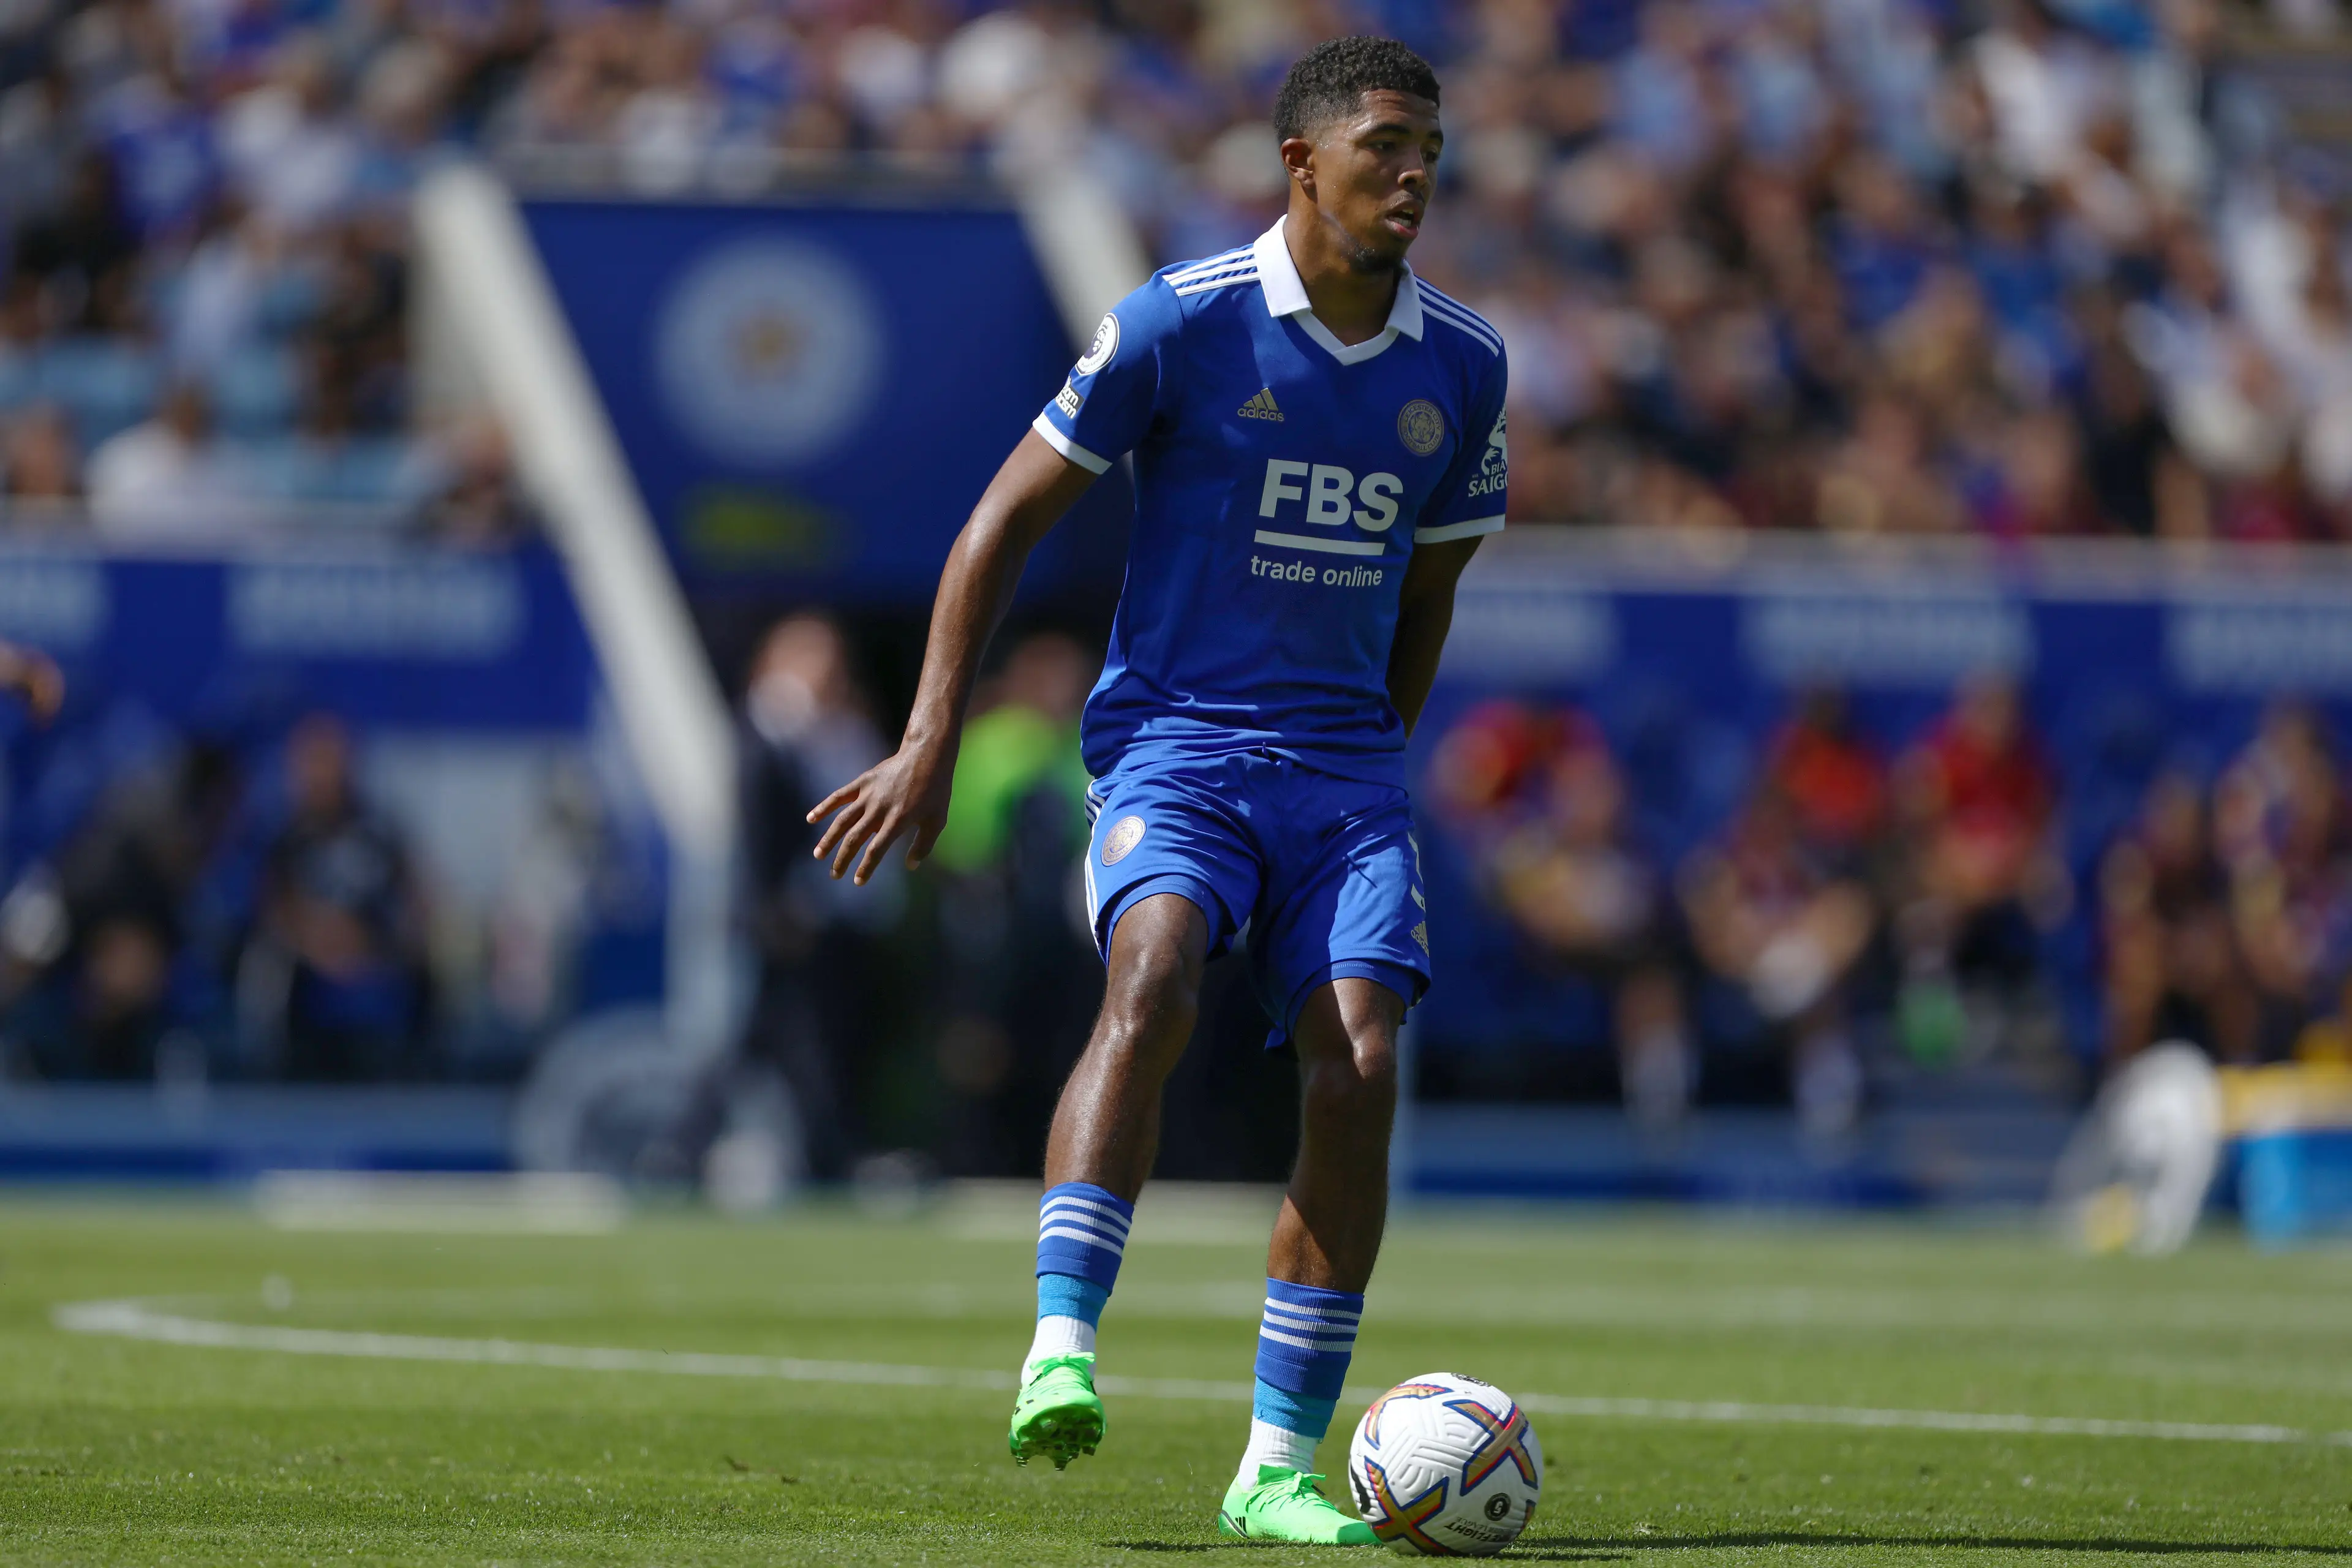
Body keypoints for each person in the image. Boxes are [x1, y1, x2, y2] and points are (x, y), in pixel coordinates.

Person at [808, 37, 1503, 1545]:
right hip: (1177, 744)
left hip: (1344, 773)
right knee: (1158, 972)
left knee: (1362, 1068)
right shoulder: (1178, 326)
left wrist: (1369, 760)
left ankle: (1275, 1466)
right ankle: (1063, 1341)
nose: (1416, 172)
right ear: (1302, 162)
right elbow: (997, 523)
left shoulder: (1465, 364)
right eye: (1387, 142)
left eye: (1432, 147)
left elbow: (1432, 592)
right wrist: (932, 736)